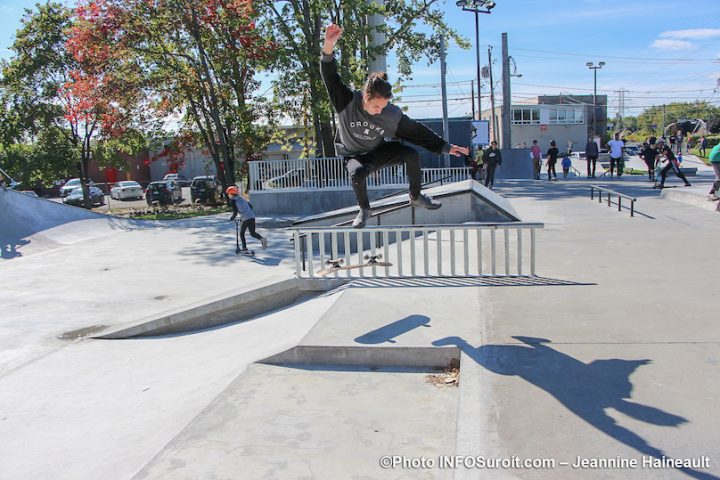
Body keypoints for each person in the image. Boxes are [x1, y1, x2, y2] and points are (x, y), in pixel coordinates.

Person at [320, 24, 469, 228]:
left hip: (378, 151)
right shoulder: (346, 101)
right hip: (353, 155)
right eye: (375, 106)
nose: (379, 111)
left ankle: (415, 196)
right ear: (365, 96)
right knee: (357, 174)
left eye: (383, 107)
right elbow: (330, 77)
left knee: (411, 154)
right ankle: (364, 209)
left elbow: (416, 132)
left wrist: (446, 147)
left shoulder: (391, 115)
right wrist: (329, 45)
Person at [227, 186, 268, 253]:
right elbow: (251, 206)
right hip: (252, 216)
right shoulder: (241, 198)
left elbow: (235, 212)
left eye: (228, 193)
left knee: (242, 233)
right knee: (252, 233)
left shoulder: (233, 201)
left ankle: (244, 248)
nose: (228, 195)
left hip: (245, 218)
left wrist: (232, 218)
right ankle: (262, 239)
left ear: (231, 193)